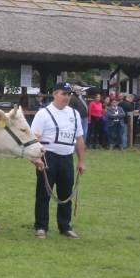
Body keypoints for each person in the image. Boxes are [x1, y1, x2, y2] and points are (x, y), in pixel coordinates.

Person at [29, 82, 86, 239]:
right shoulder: (43, 113)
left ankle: (65, 226)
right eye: (63, 94)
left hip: (67, 157)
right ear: (55, 94)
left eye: (68, 94)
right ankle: (41, 226)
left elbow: (79, 139)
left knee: (66, 193)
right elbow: (34, 138)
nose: (66, 97)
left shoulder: (74, 114)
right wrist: (36, 159)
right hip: (48, 157)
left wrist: (81, 161)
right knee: (44, 193)